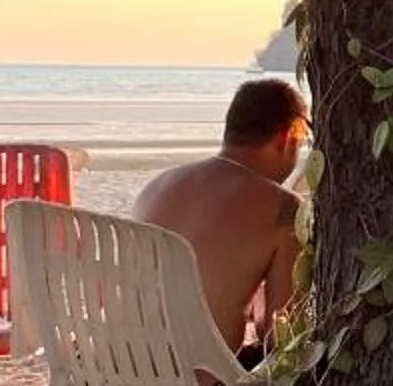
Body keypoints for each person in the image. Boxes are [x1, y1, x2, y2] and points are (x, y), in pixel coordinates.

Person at [131, 78, 307, 362]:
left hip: (111, 374)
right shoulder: (283, 209)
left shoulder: (157, 186)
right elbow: (279, 335)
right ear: (285, 138)